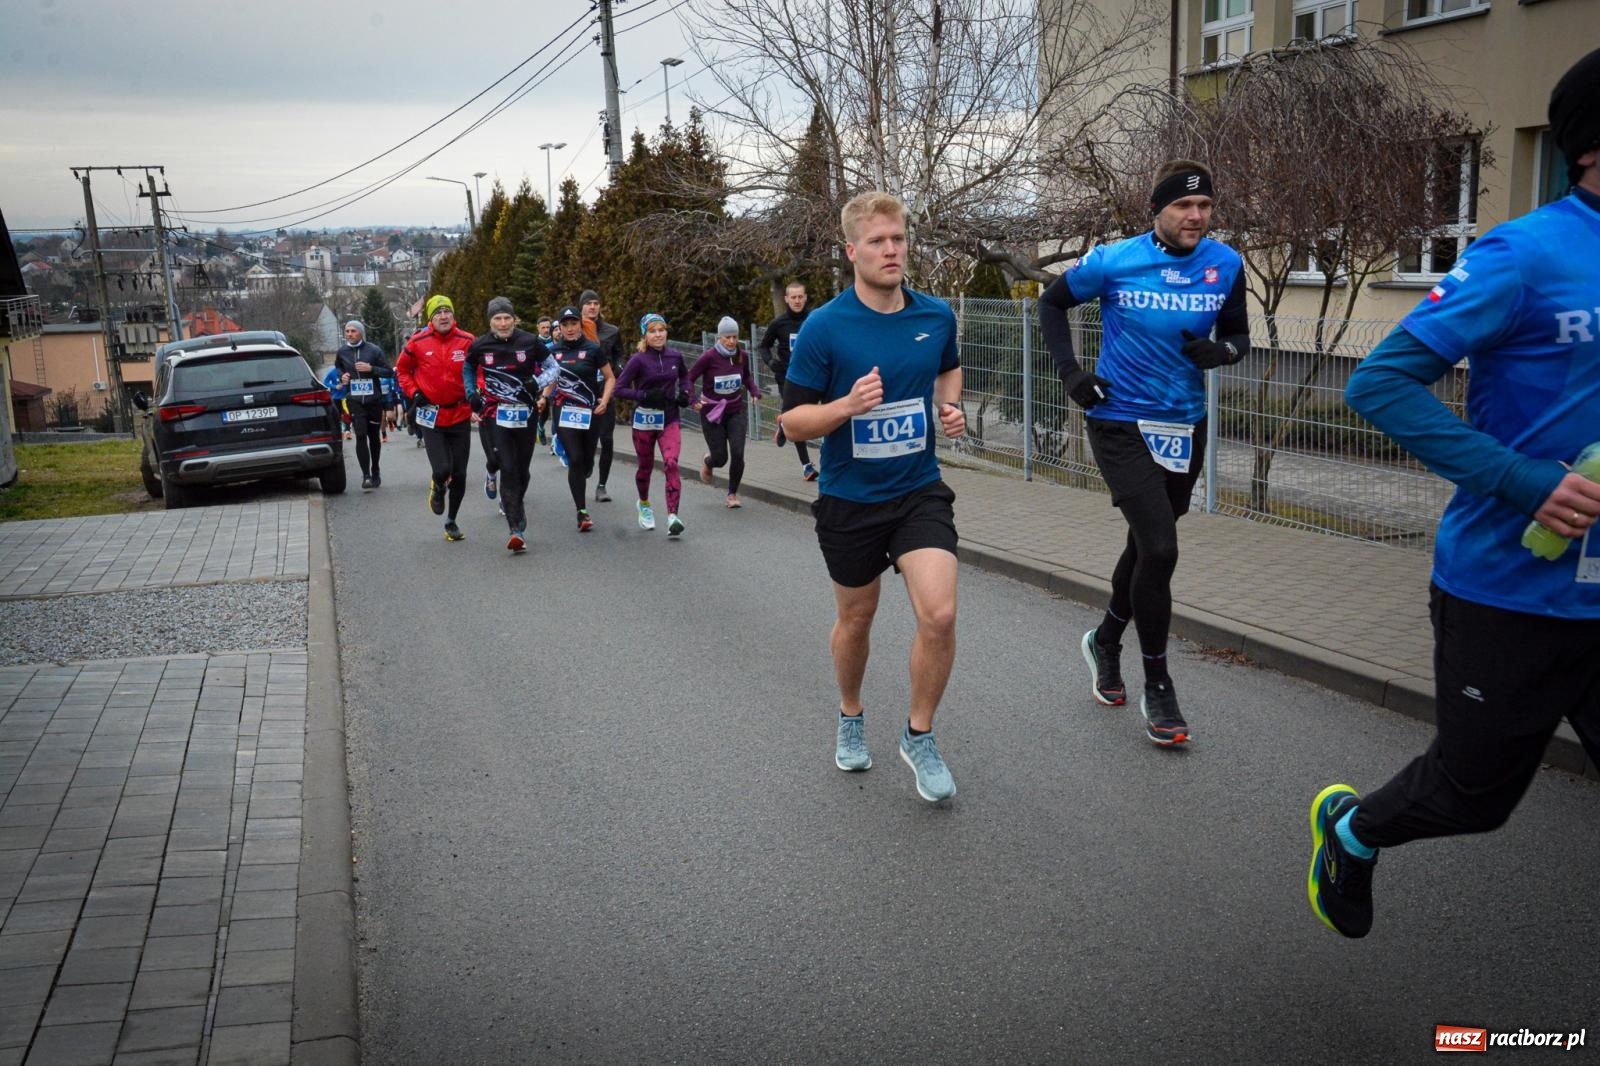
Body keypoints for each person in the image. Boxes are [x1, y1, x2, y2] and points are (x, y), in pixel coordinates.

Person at [1307, 49, 1600, 940]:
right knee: (1475, 795)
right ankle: (1352, 833)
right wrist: (1523, 481)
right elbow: (1379, 383)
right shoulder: (1526, 253)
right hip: (1511, 589)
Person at [1038, 158, 1249, 748]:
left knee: (1146, 545)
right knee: (1160, 546)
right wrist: (1072, 373)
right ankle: (1159, 683)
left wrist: (1224, 354)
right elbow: (1050, 305)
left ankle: (1105, 640)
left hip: (1184, 424)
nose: (1196, 216)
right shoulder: (1114, 260)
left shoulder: (1226, 264)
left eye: (1204, 205)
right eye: (1183, 206)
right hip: (1119, 420)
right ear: (1156, 210)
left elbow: (1239, 335)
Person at [778, 190, 967, 803]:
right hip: (850, 499)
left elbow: (948, 366)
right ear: (851, 250)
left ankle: (919, 734)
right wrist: (847, 406)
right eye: (878, 241)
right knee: (857, 618)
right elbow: (792, 422)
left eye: (899, 239)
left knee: (939, 613)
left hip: (917, 490)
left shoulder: (935, 315)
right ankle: (851, 713)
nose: (891, 250)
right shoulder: (824, 327)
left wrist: (950, 405)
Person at [464, 296, 559, 553]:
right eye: (498, 318)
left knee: (522, 470)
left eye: (507, 318)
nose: (503, 323)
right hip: (496, 414)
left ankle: (516, 504)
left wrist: (536, 383)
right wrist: (471, 393)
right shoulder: (480, 345)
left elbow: (554, 368)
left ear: (514, 319)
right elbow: (468, 368)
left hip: (525, 413)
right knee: (507, 467)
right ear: (490, 321)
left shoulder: (530, 341)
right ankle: (515, 529)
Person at [396, 294, 476, 541]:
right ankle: (438, 484)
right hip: (431, 415)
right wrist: (414, 392)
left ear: (453, 315)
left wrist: (476, 393)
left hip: (460, 413)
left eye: (447, 312)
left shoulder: (467, 341)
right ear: (431, 318)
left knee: (460, 474)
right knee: (442, 468)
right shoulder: (417, 342)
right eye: (438, 313)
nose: (443, 316)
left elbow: (479, 371)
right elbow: (402, 371)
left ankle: (451, 521)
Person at [614, 313, 690, 536]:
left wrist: (686, 393)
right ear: (645, 335)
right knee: (645, 467)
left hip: (669, 418)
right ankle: (644, 504)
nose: (658, 335)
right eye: (652, 331)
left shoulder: (675, 356)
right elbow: (619, 389)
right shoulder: (638, 360)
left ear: (666, 332)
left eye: (661, 330)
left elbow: (685, 377)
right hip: (644, 419)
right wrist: (643, 395)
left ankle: (673, 516)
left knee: (671, 462)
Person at [544, 305, 615, 532]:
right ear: (560, 328)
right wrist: (543, 397)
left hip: (590, 412)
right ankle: (581, 512)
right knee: (574, 458)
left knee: (585, 462)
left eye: (574, 324)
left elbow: (610, 377)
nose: (570, 328)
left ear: (580, 325)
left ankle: (587, 466)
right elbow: (551, 380)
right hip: (564, 411)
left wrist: (604, 400)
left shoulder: (593, 349)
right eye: (565, 325)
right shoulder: (553, 352)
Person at [689, 318, 762, 508]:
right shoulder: (708, 357)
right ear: (719, 337)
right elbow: (689, 379)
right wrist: (693, 400)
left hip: (735, 410)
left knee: (738, 453)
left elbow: (746, 377)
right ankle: (709, 461)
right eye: (727, 337)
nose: (731, 341)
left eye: (735, 337)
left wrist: (754, 391)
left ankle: (732, 494)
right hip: (712, 413)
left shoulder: (742, 355)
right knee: (720, 458)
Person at [758, 280, 819, 481]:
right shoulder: (779, 323)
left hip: (812, 375)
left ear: (806, 298)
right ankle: (806, 466)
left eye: (800, 297)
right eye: (793, 297)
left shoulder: (815, 318)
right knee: (796, 417)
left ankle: (784, 424)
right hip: (787, 377)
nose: (797, 301)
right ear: (786, 299)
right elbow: (763, 346)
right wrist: (770, 362)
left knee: (814, 417)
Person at [579, 289, 626, 502]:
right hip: (582, 394)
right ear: (581, 307)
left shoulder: (612, 331)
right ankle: (587, 463)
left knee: (606, 439)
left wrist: (617, 369)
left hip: (605, 392)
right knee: (586, 439)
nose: (592, 307)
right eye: (588, 303)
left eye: (596, 303)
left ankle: (601, 486)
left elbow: (619, 354)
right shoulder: (574, 330)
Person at [333, 319, 391, 489]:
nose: (349, 334)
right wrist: (342, 376)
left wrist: (371, 369)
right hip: (355, 400)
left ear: (361, 333)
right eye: (347, 331)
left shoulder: (374, 350)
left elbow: (389, 372)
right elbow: (338, 368)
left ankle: (375, 470)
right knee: (360, 435)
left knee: (373, 436)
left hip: (373, 400)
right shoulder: (342, 352)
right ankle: (366, 475)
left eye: (353, 331)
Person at [534, 315, 555, 447]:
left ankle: (552, 435)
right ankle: (539, 426)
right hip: (539, 380)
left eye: (548, 327)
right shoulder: (533, 342)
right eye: (543, 327)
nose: (546, 330)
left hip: (552, 379)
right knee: (543, 406)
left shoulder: (554, 342)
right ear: (538, 328)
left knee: (551, 407)